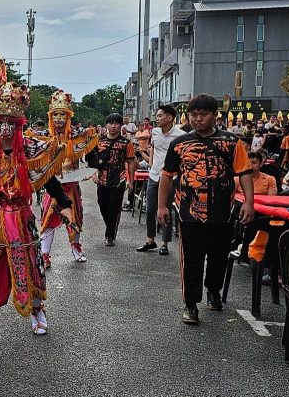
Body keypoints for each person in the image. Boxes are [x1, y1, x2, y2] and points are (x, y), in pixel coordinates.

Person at [0, 82, 73, 358]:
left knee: (30, 269)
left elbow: (49, 181)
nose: (4, 130)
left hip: (21, 218)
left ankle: (37, 311)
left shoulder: (31, 152)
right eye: (0, 124)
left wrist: (64, 206)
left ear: (17, 126)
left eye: (10, 123)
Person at [158, 94, 253, 326]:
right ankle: (191, 304)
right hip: (188, 211)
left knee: (219, 255)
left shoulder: (231, 142)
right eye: (193, 114)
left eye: (203, 114)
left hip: (223, 210)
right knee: (191, 258)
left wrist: (250, 202)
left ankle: (213, 290)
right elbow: (167, 175)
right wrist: (161, 206)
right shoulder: (179, 144)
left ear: (215, 115)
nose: (198, 119)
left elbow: (244, 172)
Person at [30, 90, 97, 266]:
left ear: (68, 117)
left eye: (62, 114)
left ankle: (76, 248)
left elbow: (93, 146)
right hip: (52, 187)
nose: (59, 118)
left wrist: (92, 171)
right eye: (56, 115)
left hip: (72, 186)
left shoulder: (77, 136)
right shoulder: (42, 137)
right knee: (47, 222)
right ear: (51, 117)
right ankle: (44, 254)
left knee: (75, 219)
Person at [137, 104, 185, 255]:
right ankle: (150, 240)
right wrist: (151, 164)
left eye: (159, 116)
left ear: (169, 117)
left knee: (165, 209)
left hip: (171, 177)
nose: (157, 119)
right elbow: (153, 149)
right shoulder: (155, 132)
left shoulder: (180, 135)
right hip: (154, 174)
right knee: (150, 209)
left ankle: (165, 242)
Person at [87, 113, 136, 246]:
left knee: (114, 207)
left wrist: (131, 181)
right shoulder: (99, 141)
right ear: (106, 125)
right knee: (102, 204)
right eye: (111, 123)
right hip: (102, 178)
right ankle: (110, 225)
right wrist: (93, 174)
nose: (113, 126)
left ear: (121, 125)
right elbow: (92, 161)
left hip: (118, 178)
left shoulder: (126, 143)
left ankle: (110, 235)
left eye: (116, 123)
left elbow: (131, 162)